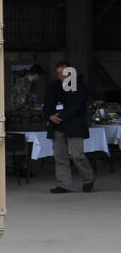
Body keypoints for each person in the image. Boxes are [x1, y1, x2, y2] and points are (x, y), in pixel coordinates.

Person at [45, 60, 94, 193]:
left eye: (64, 73)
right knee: (60, 157)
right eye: (59, 73)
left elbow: (78, 106)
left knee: (77, 155)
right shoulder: (54, 86)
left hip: (74, 125)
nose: (61, 76)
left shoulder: (80, 86)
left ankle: (89, 178)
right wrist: (50, 116)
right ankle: (64, 184)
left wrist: (61, 116)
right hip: (57, 126)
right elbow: (47, 103)